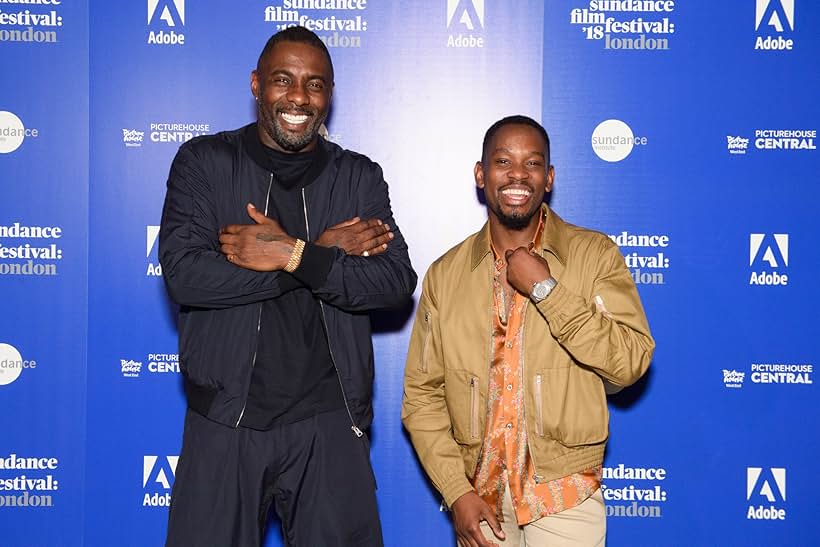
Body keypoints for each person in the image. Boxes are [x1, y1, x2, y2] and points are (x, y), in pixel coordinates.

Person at [159, 26, 416, 547]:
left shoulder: (358, 177)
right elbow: (187, 274)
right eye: (283, 80)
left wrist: (292, 253)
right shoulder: (204, 163)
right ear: (257, 84)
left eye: (315, 84)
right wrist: (313, 256)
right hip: (225, 419)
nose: (299, 97)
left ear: (330, 94)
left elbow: (394, 281)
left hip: (328, 421)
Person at [402, 115, 654, 547]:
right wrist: (456, 490)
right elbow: (422, 396)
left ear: (549, 178)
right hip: (480, 502)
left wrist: (546, 290)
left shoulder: (593, 255)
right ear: (481, 175)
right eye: (503, 161)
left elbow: (631, 361)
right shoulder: (446, 274)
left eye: (532, 163)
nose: (518, 174)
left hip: (563, 497)